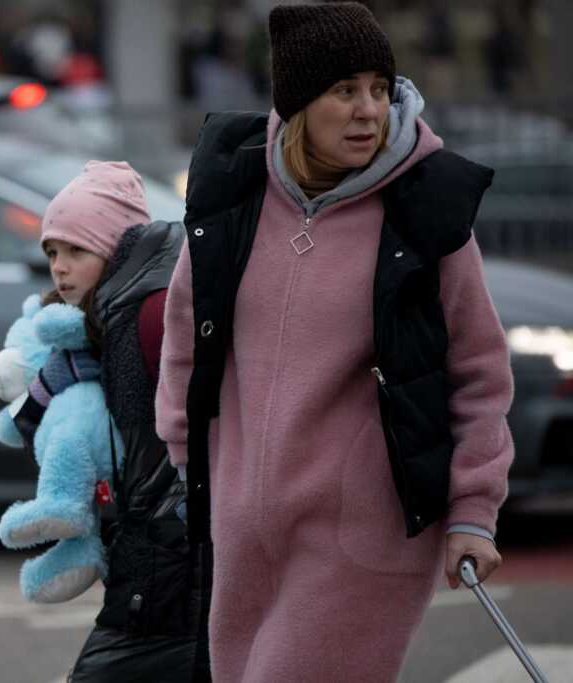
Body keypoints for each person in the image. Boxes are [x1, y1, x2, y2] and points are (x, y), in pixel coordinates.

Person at [155, 3, 514, 681]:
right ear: (297, 106)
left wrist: (473, 508)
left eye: (379, 89)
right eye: (344, 91)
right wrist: (184, 453)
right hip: (240, 525)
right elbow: (187, 328)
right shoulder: (235, 197)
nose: (368, 110)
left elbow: (480, 372)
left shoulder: (426, 211)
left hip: (362, 530)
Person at [0, 161, 210, 680]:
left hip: (170, 574)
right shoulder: (105, 322)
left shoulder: (147, 315)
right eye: (52, 253)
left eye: (76, 251)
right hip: (163, 571)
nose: (60, 268)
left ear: (115, 249)